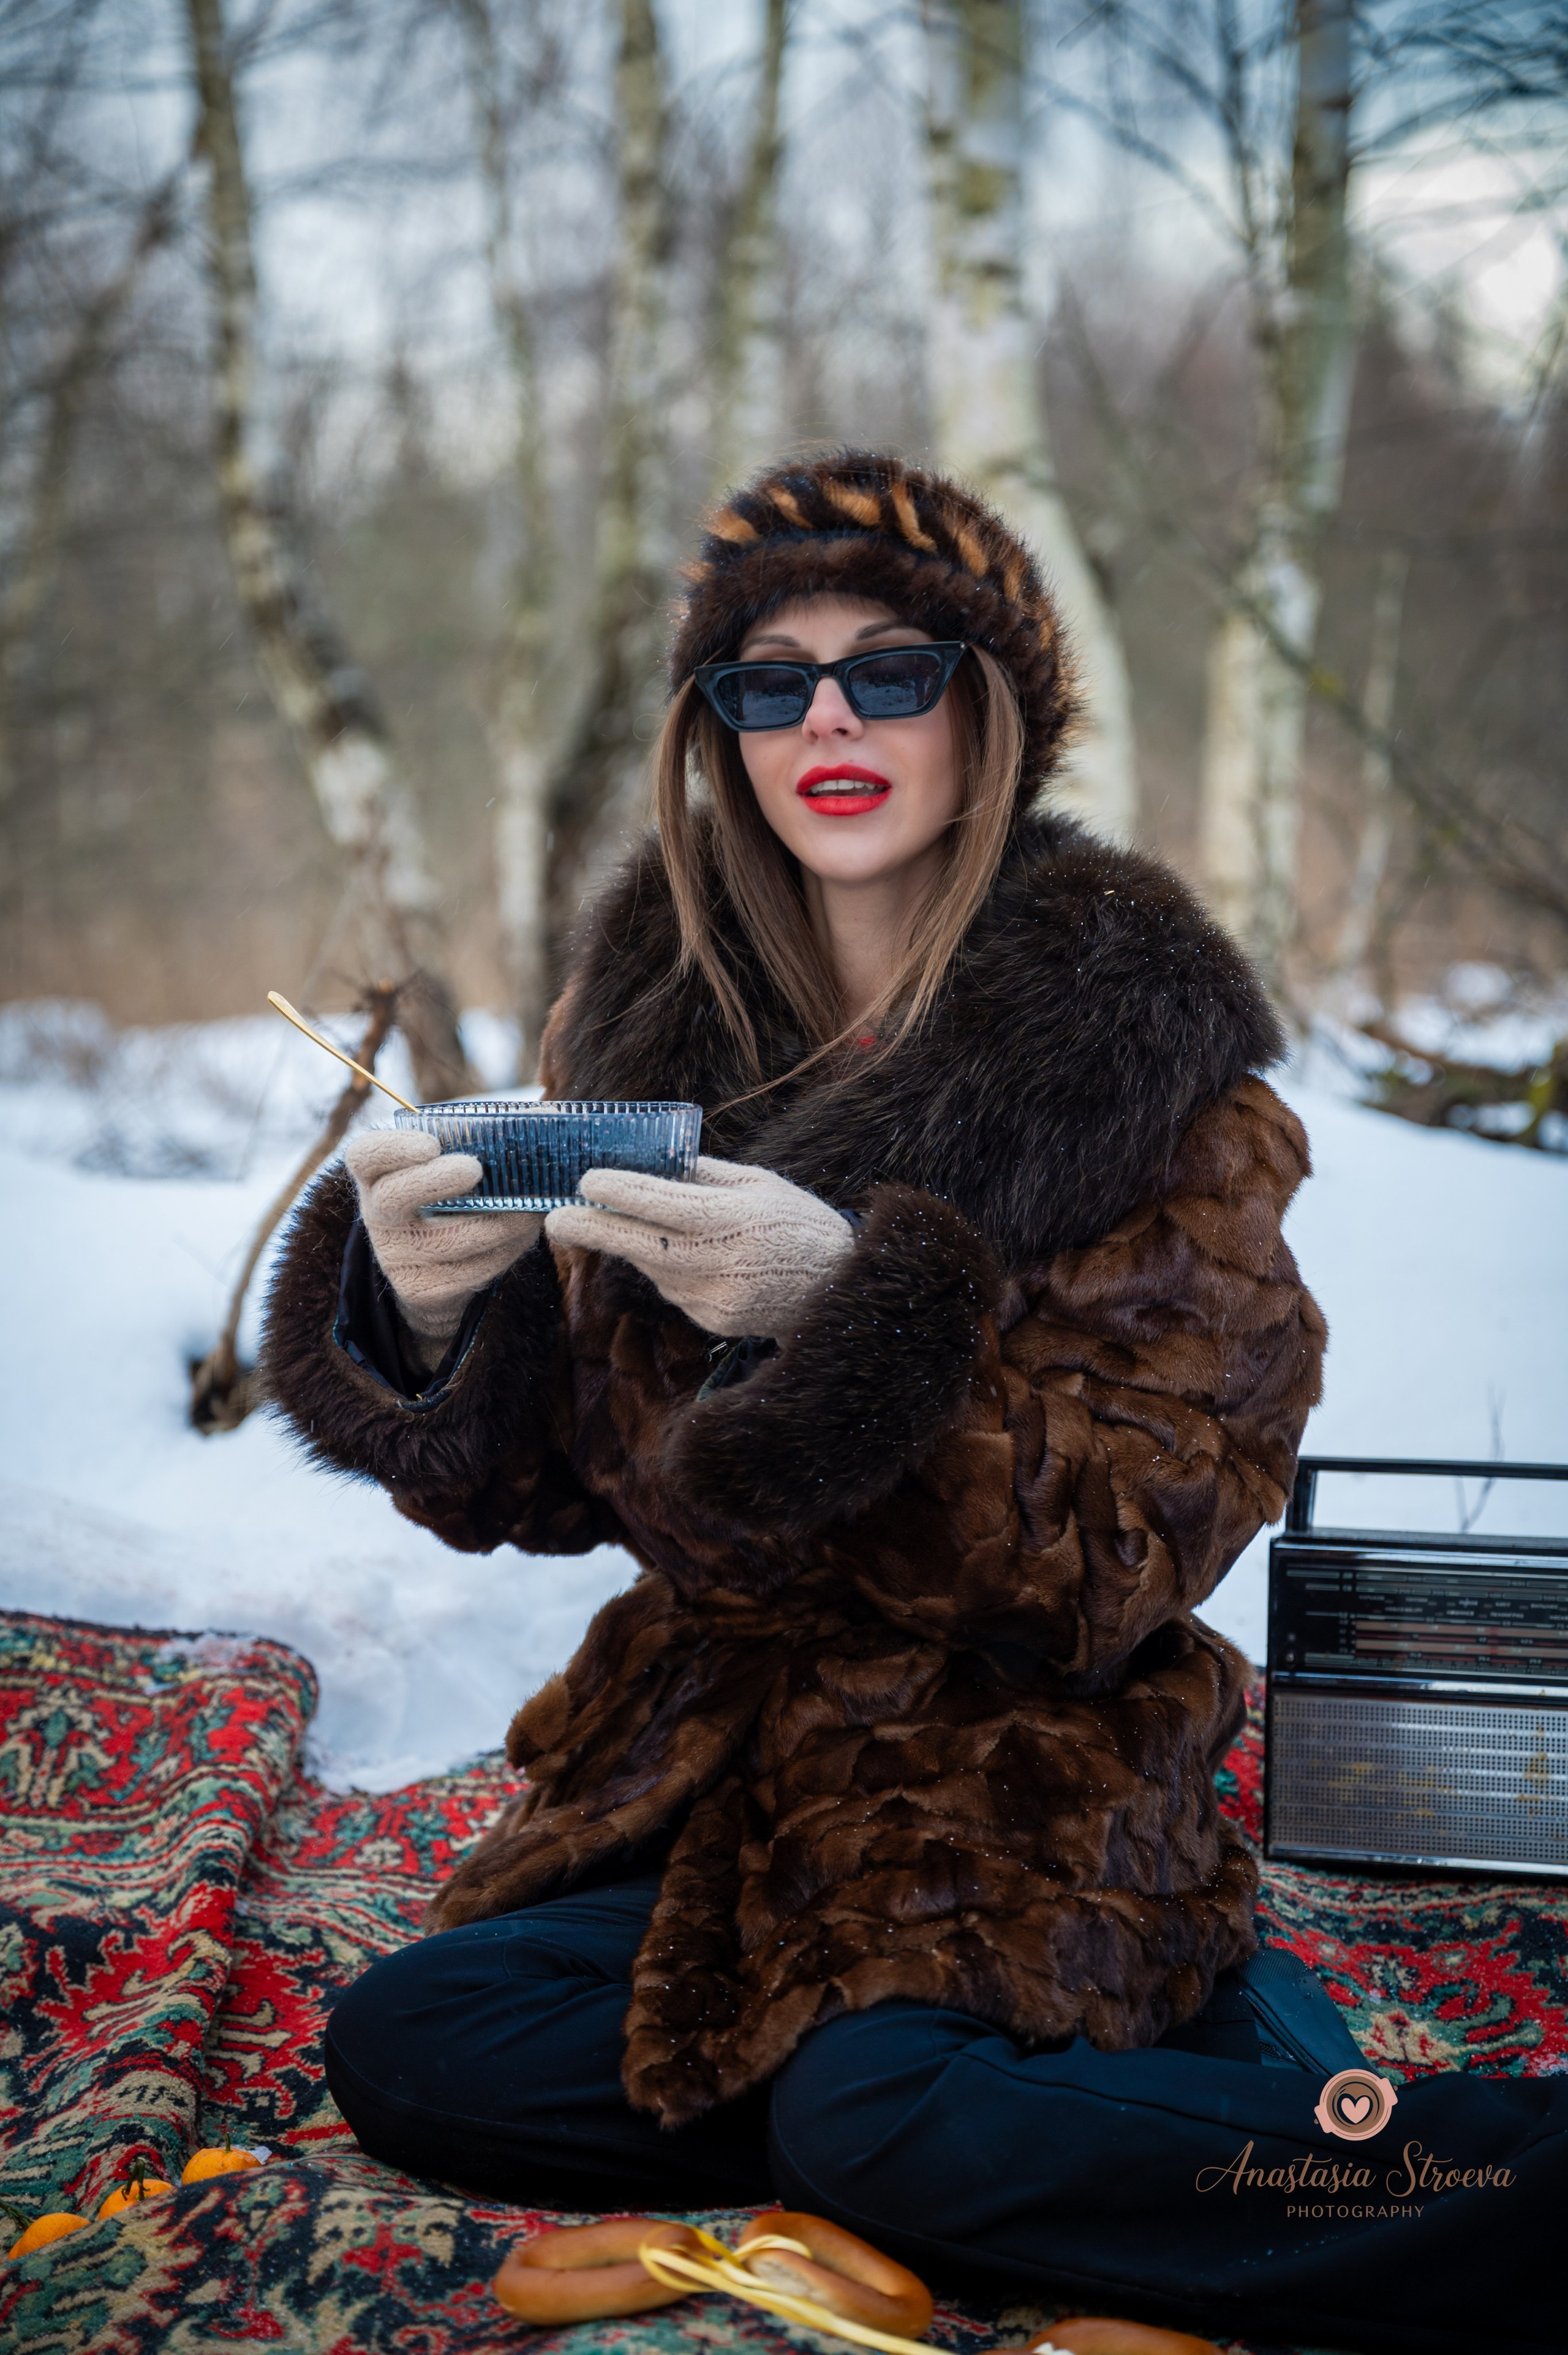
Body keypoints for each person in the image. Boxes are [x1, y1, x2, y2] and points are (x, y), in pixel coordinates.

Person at [262, 452, 1559, 2355]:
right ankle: (1039, 2108)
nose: (828, 722)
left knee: (875, 2106)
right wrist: (432, 1317)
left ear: (993, 706)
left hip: (1023, 1781)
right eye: (766, 682)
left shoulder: (1157, 1092)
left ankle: (1471, 2185)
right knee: (412, 2041)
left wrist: (841, 1321)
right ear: (720, 736)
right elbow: (568, 1490)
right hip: (731, 1785)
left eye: (892, 667)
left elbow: (1121, 1561)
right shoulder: (643, 1055)